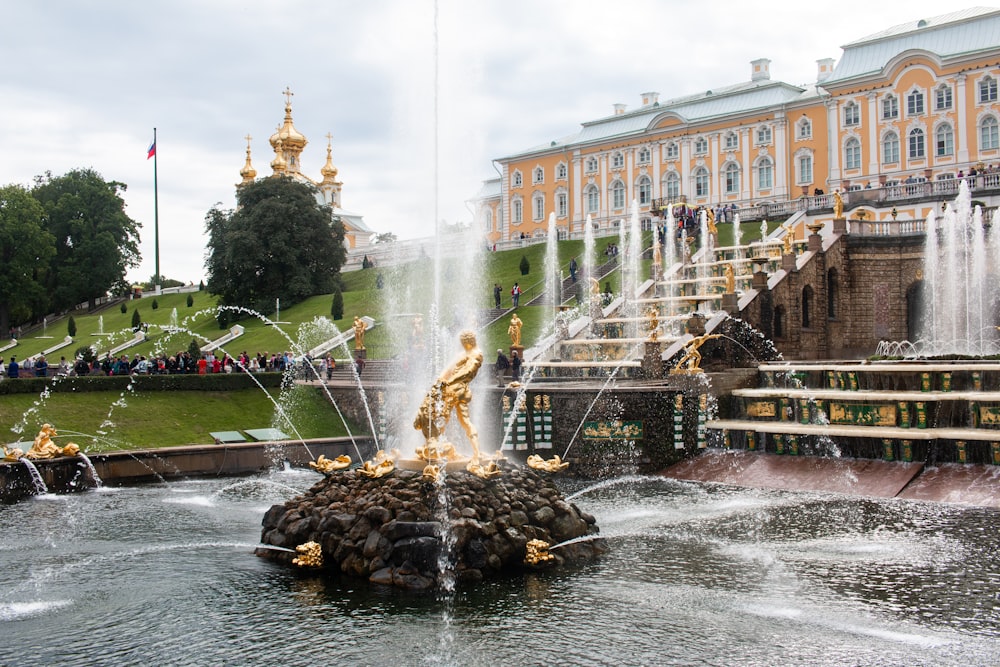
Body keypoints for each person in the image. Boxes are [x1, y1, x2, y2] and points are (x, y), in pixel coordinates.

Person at [413, 330, 484, 461]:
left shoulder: (476, 354)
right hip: (454, 388)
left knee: (442, 416)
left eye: (463, 342)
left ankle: (437, 446)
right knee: (464, 421)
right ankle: (475, 452)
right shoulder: (463, 354)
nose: (462, 344)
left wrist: (447, 382)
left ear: (468, 341)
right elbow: (447, 370)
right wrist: (437, 383)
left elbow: (468, 371)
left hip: (455, 390)